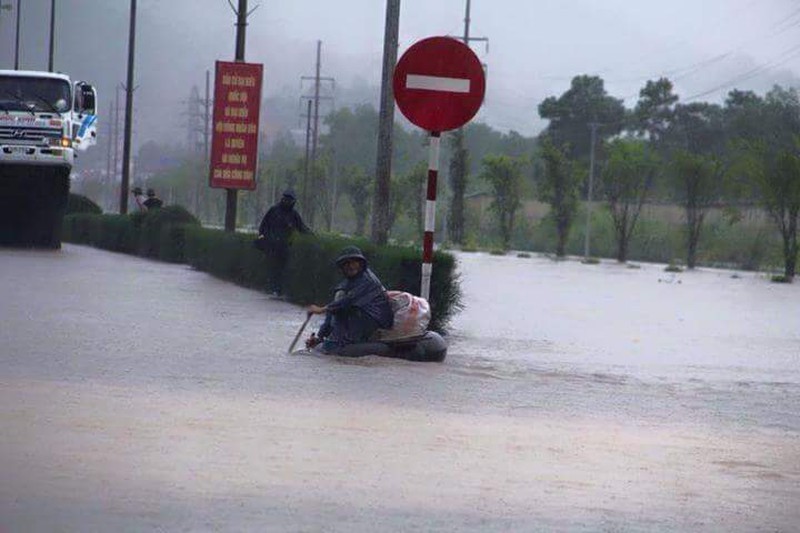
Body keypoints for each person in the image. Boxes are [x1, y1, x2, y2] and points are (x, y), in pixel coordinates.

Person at [305, 246, 394, 354]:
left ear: (360, 263)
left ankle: (339, 345)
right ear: (342, 267)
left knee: (334, 348)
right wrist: (320, 337)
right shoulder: (345, 285)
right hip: (355, 320)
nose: (351, 266)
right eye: (346, 263)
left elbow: (348, 301)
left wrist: (321, 309)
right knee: (337, 307)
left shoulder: (368, 281)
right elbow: (333, 310)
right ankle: (330, 342)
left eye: (354, 262)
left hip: (372, 319)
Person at [256, 189, 311, 295]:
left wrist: (311, 236)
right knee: (272, 267)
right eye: (285, 199)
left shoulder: (293, 214)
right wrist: (262, 237)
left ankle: (279, 289)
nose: (287, 202)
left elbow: (301, 227)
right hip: (271, 245)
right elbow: (263, 225)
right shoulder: (274, 210)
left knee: (283, 268)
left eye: (289, 200)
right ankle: (272, 287)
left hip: (285, 246)